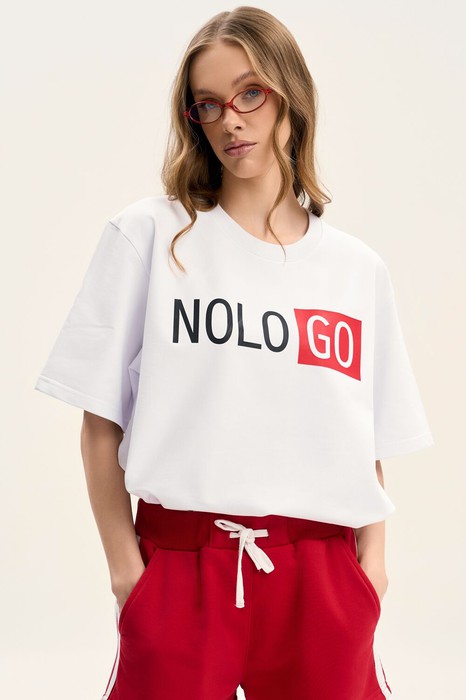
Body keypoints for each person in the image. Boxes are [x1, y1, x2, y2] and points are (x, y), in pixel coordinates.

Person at [34, 6, 434, 699]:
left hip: (323, 576)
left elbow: (364, 438)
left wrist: (371, 571)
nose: (229, 121)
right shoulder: (150, 237)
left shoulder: (355, 270)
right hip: (181, 569)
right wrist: (128, 574)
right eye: (208, 104)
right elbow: (100, 424)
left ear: (290, 97)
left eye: (250, 93)